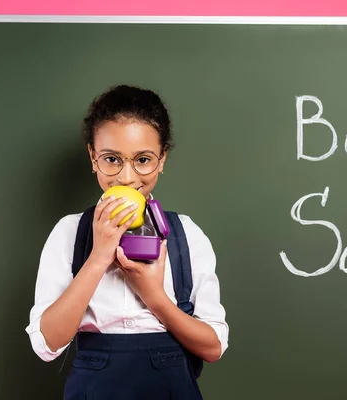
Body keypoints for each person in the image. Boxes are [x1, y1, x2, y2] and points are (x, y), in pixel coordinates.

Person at [25, 84, 229, 399]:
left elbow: (213, 347)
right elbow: (46, 345)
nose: (126, 177)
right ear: (93, 158)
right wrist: (98, 257)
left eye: (143, 160)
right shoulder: (69, 233)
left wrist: (155, 297)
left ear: (162, 159)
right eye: (111, 160)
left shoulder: (186, 234)